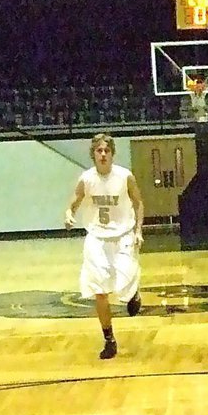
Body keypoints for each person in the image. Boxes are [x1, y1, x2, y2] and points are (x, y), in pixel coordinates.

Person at [64, 133, 143, 359]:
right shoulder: (86, 179)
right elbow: (74, 201)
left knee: (124, 287)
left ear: (112, 153)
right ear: (93, 154)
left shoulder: (125, 176)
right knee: (100, 291)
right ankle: (109, 339)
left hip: (123, 235)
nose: (103, 154)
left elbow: (139, 203)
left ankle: (133, 294)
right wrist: (69, 214)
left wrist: (138, 230)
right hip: (97, 238)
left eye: (106, 151)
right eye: (99, 151)